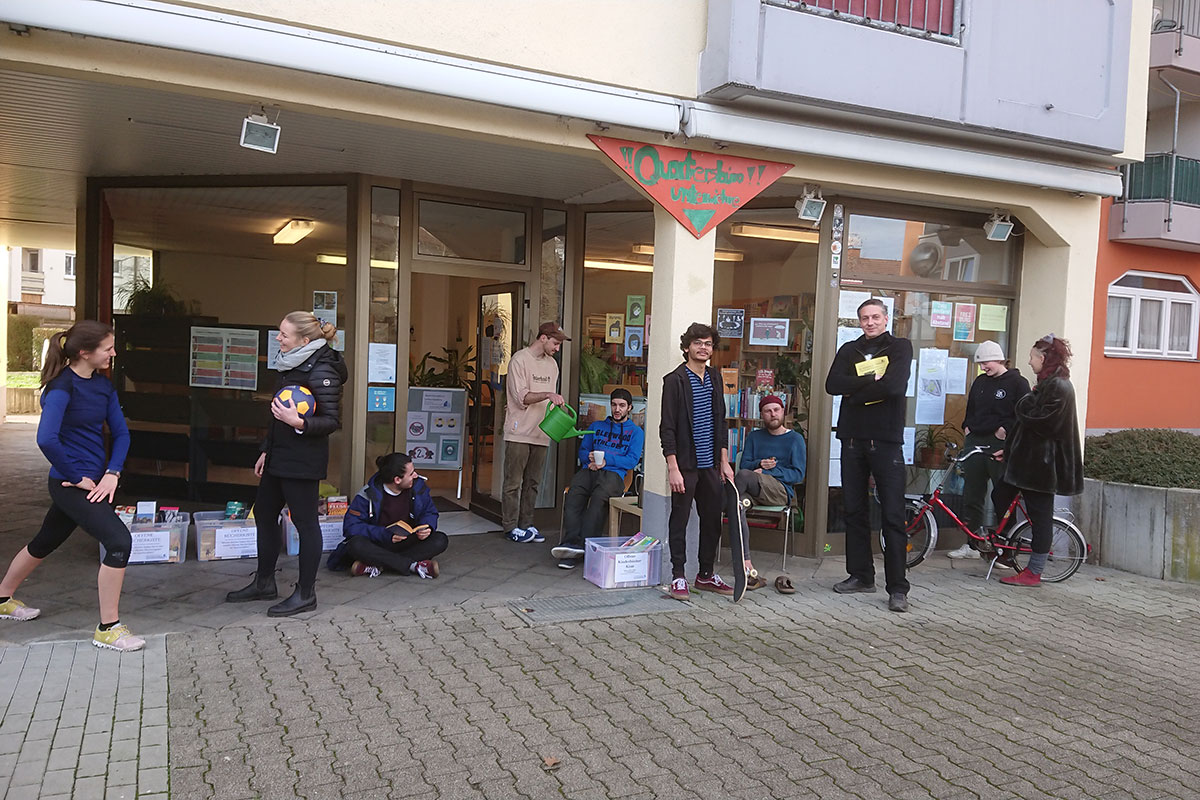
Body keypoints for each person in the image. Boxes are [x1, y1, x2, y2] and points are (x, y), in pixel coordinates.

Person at [0, 321, 144, 651]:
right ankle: (108, 628)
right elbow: (46, 439)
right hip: (70, 484)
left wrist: (113, 473)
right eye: (108, 348)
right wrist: (76, 476)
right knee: (119, 541)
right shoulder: (61, 388)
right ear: (85, 352)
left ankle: (3, 598)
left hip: (96, 482)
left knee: (45, 540)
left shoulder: (102, 386)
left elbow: (122, 434)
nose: (113, 353)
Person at [226, 311, 347, 616]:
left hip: (303, 460)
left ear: (304, 340)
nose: (278, 338)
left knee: (305, 523)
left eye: (283, 334)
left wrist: (299, 422)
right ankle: (264, 582)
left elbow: (332, 421)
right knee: (264, 514)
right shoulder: (290, 362)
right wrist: (266, 449)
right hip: (279, 455)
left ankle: (306, 594)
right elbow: (277, 415)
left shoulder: (323, 369)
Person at [825, 298, 914, 613]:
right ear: (859, 321)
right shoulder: (849, 350)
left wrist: (854, 395)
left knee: (893, 515)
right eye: (865, 318)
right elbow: (832, 384)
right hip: (852, 439)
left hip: (885, 441)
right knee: (854, 511)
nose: (870, 322)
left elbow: (894, 387)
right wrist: (867, 380)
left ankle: (898, 589)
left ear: (886, 318)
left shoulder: (900, 348)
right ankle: (861, 575)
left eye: (876, 317)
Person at [990, 334, 1083, 587]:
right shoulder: (1047, 384)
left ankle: (1034, 572)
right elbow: (1026, 430)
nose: (1029, 362)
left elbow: (1043, 423)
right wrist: (1010, 451)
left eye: (1032, 357)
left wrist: (1024, 403)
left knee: (1040, 517)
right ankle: (1005, 546)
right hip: (1026, 463)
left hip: (1042, 467)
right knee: (1000, 494)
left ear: (1043, 358)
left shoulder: (1059, 386)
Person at [661, 322, 737, 601]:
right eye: (698, 343)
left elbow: (721, 421)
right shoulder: (675, 380)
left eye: (708, 344)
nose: (703, 348)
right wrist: (673, 468)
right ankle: (678, 577)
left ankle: (705, 575)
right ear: (687, 347)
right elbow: (667, 427)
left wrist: (724, 461)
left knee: (713, 520)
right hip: (685, 465)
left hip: (710, 466)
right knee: (679, 520)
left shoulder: (715, 377)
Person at [947, 340, 1030, 560]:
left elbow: (1024, 413)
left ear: (999, 359)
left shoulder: (1018, 383)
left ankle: (1006, 548)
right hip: (975, 441)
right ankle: (972, 544)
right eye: (981, 363)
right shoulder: (980, 382)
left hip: (999, 445)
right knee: (972, 493)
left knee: (1002, 495)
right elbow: (971, 409)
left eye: (986, 362)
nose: (983, 367)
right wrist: (967, 427)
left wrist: (1006, 430)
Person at [551, 388, 645, 569]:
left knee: (598, 499)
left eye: (622, 405)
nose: (617, 409)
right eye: (614, 405)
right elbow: (583, 450)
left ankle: (584, 546)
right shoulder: (596, 426)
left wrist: (606, 461)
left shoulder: (636, 432)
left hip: (614, 475)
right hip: (590, 470)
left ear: (629, 408)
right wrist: (590, 459)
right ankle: (571, 544)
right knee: (574, 494)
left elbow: (632, 461)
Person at [328, 453, 448, 578]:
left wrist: (426, 526)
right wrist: (384, 534)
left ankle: (378, 564)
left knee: (440, 540)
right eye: (411, 473)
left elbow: (430, 511)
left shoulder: (418, 487)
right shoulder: (368, 494)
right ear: (397, 480)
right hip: (378, 543)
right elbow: (351, 527)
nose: (416, 475)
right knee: (356, 545)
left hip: (407, 540)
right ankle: (412, 565)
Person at [502, 321, 569, 544]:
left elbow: (550, 399)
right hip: (519, 431)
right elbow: (521, 397)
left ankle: (526, 524)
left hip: (542, 431)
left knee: (533, 482)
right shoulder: (519, 360)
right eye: (555, 343)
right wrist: (548, 394)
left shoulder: (552, 365)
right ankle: (510, 527)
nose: (557, 348)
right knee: (513, 482)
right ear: (543, 338)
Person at [734, 394, 807, 590]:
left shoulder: (795, 439)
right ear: (762, 415)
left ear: (783, 411)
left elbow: (798, 474)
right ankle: (746, 563)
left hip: (780, 491)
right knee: (739, 504)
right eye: (767, 411)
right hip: (755, 489)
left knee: (740, 481)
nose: (773, 414)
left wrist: (767, 472)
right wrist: (759, 463)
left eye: (776, 410)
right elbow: (745, 464)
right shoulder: (754, 437)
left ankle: (725, 505)